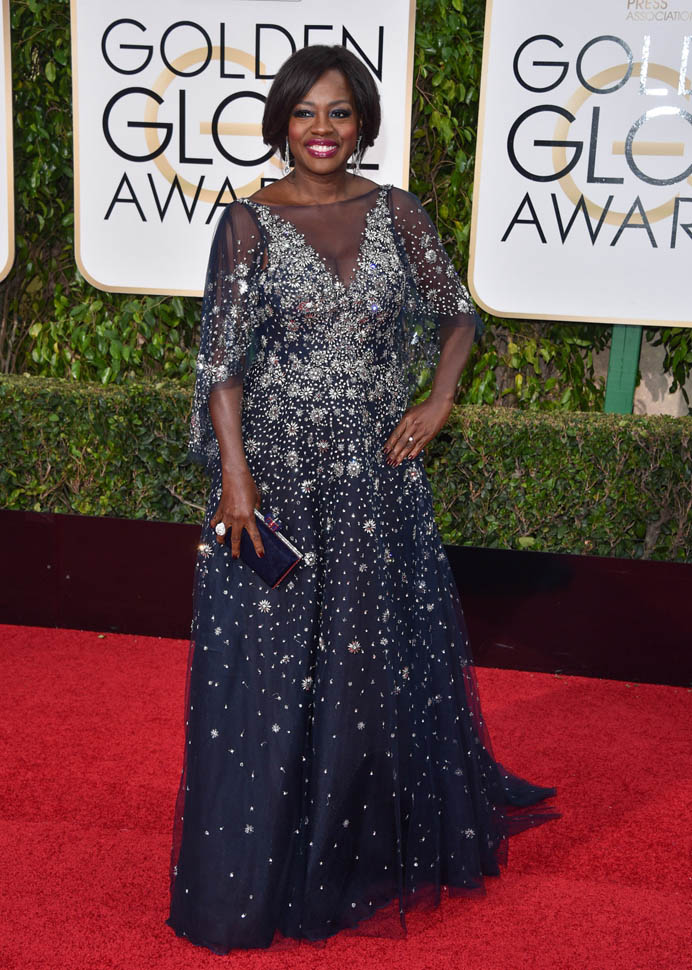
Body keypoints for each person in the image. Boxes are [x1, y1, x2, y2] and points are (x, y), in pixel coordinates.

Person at [165, 44, 558, 954]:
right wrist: (236, 480)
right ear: (282, 123)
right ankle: (270, 865)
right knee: (275, 678)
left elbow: (458, 315)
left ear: (362, 123)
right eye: (305, 113)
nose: (322, 130)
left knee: (373, 667)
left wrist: (439, 398)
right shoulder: (248, 225)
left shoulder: (399, 212)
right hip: (281, 480)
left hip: (379, 482)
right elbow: (221, 366)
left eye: (339, 112)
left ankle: (356, 850)